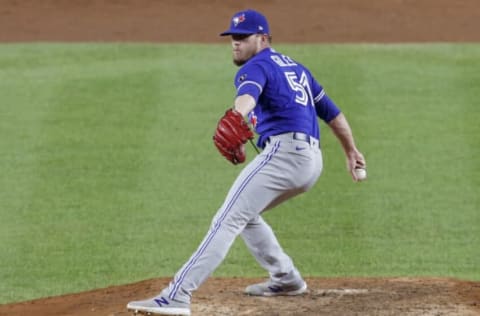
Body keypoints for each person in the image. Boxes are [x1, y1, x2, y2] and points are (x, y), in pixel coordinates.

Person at [127, 9, 366, 316]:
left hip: (285, 155)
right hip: (310, 161)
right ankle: (285, 278)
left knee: (225, 220)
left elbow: (248, 97)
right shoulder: (296, 68)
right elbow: (332, 114)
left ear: (263, 38)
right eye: (233, 38)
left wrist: (237, 115)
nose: (235, 43)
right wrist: (351, 151)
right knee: (245, 215)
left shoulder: (255, 67)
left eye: (243, 37)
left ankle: (177, 295)